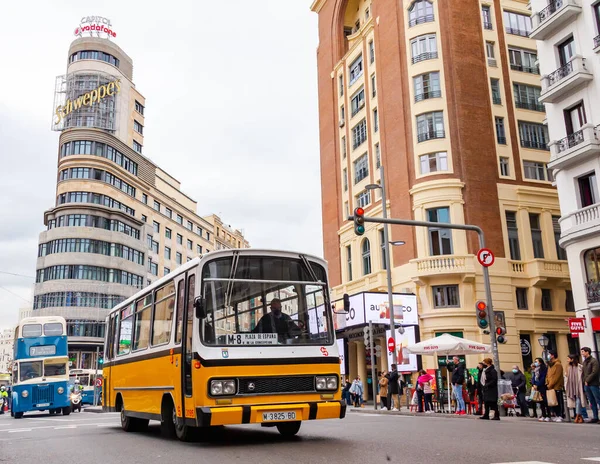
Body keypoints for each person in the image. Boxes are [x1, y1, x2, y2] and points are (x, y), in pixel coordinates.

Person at [565, 354, 588, 423]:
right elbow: (566, 376)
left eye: (568, 359)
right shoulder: (568, 367)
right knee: (576, 401)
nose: (567, 360)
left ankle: (578, 415)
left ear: (572, 359)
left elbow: (583, 376)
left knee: (578, 401)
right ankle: (579, 415)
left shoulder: (580, 367)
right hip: (571, 387)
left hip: (578, 386)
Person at [581, 346, 600, 423]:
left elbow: (594, 372)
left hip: (593, 383)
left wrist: (587, 380)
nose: (582, 353)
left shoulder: (593, 361)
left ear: (587, 352)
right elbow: (583, 373)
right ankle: (595, 417)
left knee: (598, 399)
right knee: (592, 401)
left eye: (583, 352)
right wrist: (584, 381)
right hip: (587, 384)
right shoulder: (585, 362)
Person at [546, 350, 565, 422]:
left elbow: (556, 377)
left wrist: (550, 384)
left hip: (556, 386)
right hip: (550, 386)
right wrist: (547, 382)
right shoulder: (550, 365)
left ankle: (560, 415)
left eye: (549, 354)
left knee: (558, 401)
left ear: (553, 355)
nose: (548, 356)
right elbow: (548, 375)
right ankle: (556, 414)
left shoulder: (558, 365)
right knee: (553, 401)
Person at [532, 357, 550, 422]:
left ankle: (548, 415)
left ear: (540, 362)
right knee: (540, 401)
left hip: (542, 386)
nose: (535, 363)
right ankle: (543, 415)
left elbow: (543, 377)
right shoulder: (535, 369)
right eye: (535, 361)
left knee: (545, 401)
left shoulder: (543, 368)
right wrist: (533, 384)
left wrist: (538, 384)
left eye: (537, 361)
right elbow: (534, 377)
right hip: (536, 387)